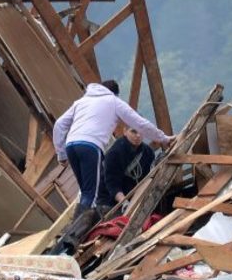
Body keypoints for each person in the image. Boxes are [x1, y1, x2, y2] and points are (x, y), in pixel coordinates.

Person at [52, 80, 172, 213]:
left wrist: (61, 153)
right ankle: (77, 231)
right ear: (115, 94)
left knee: (86, 192)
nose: (138, 135)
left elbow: (59, 124)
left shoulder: (81, 102)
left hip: (71, 145)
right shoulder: (114, 102)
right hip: (91, 146)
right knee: (92, 194)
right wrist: (164, 138)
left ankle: (75, 228)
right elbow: (140, 123)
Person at [100, 126, 156, 207]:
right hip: (111, 201)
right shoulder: (114, 154)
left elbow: (149, 176)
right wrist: (125, 203)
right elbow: (112, 185)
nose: (138, 135)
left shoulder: (148, 152)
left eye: (141, 131)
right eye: (133, 132)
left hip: (136, 197)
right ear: (125, 131)